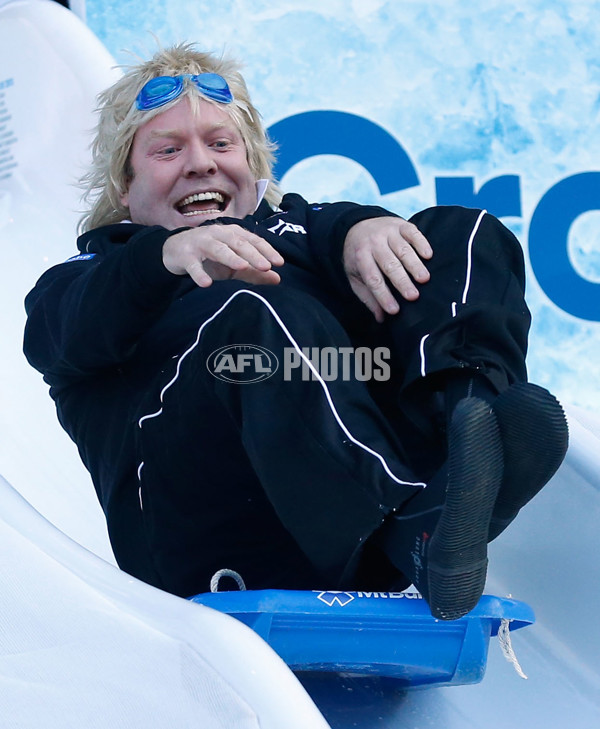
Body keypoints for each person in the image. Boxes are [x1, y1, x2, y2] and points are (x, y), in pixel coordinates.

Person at [23, 43, 568, 621]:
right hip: (207, 551)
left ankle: (465, 451)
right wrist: (166, 256)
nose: (201, 163)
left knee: (459, 234)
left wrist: (363, 227)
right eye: (168, 149)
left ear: (253, 166)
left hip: (370, 531)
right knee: (253, 318)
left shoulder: (308, 232)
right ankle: (414, 522)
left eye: (221, 143)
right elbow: (54, 338)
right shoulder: (92, 279)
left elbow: (336, 229)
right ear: (124, 188)